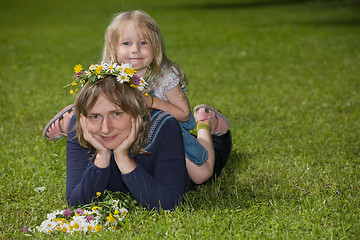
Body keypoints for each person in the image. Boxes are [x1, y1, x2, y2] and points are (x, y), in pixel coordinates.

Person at [43, 10, 231, 185]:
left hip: (166, 133)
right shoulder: (109, 74)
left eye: (143, 43)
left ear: (155, 45)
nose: (135, 50)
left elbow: (182, 114)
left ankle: (205, 123)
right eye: (126, 43)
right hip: (126, 132)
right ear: (113, 47)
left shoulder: (164, 76)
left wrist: (151, 102)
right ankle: (75, 123)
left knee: (201, 175)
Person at [65, 64, 232, 210]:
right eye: (95, 116)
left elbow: (169, 203)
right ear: (84, 117)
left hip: (181, 154)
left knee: (207, 166)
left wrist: (122, 158)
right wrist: (102, 156)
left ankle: (205, 124)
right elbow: (78, 202)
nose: (106, 128)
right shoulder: (80, 126)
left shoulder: (164, 126)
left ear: (136, 112)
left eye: (116, 114)